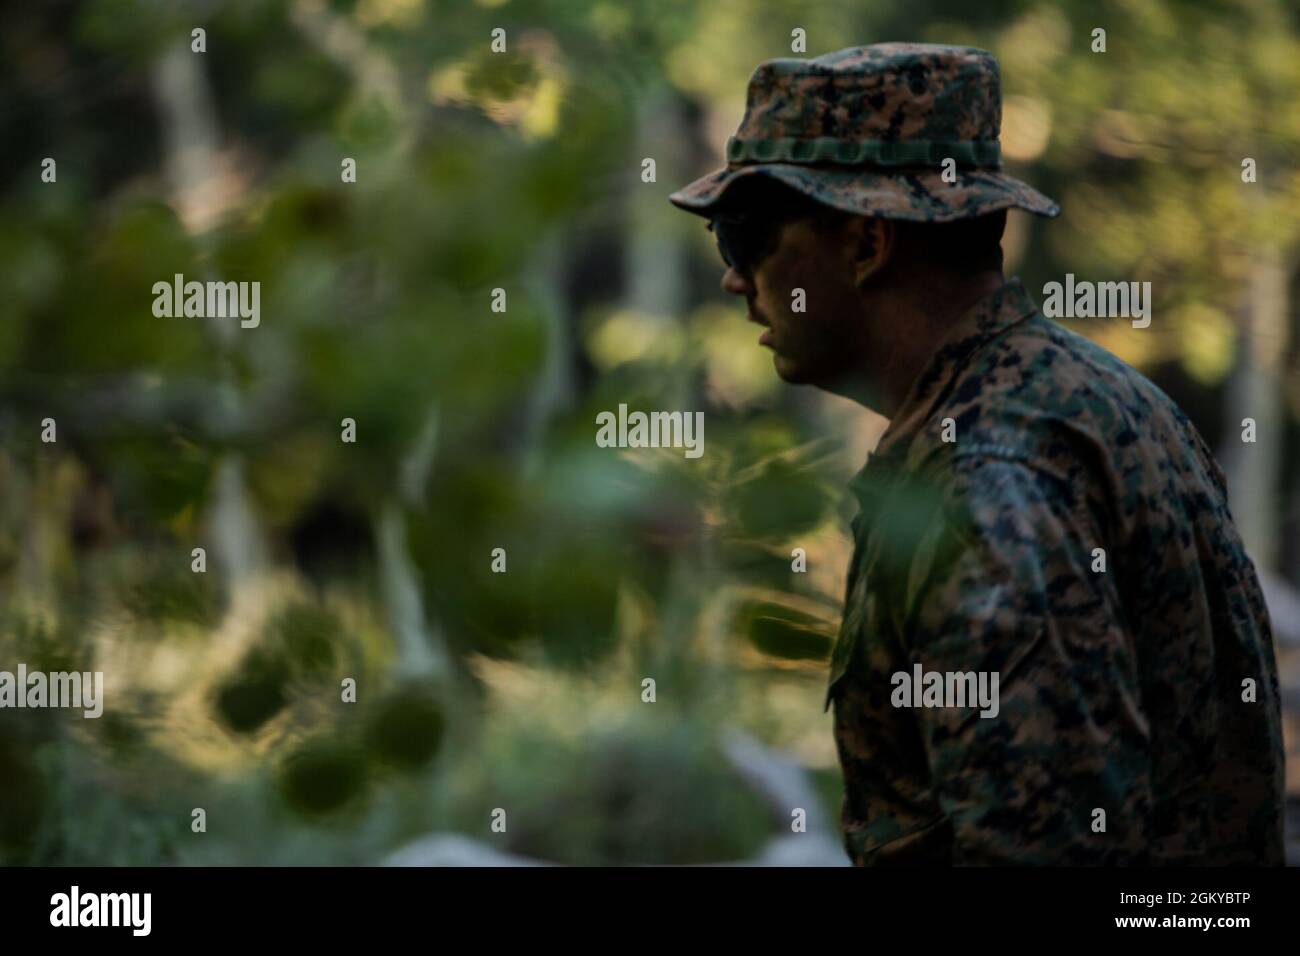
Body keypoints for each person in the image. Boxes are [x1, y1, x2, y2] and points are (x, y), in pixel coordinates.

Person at [669, 43, 1285, 865]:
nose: (734, 280)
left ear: (865, 243)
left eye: (744, 235)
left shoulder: (986, 480)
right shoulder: (1094, 397)